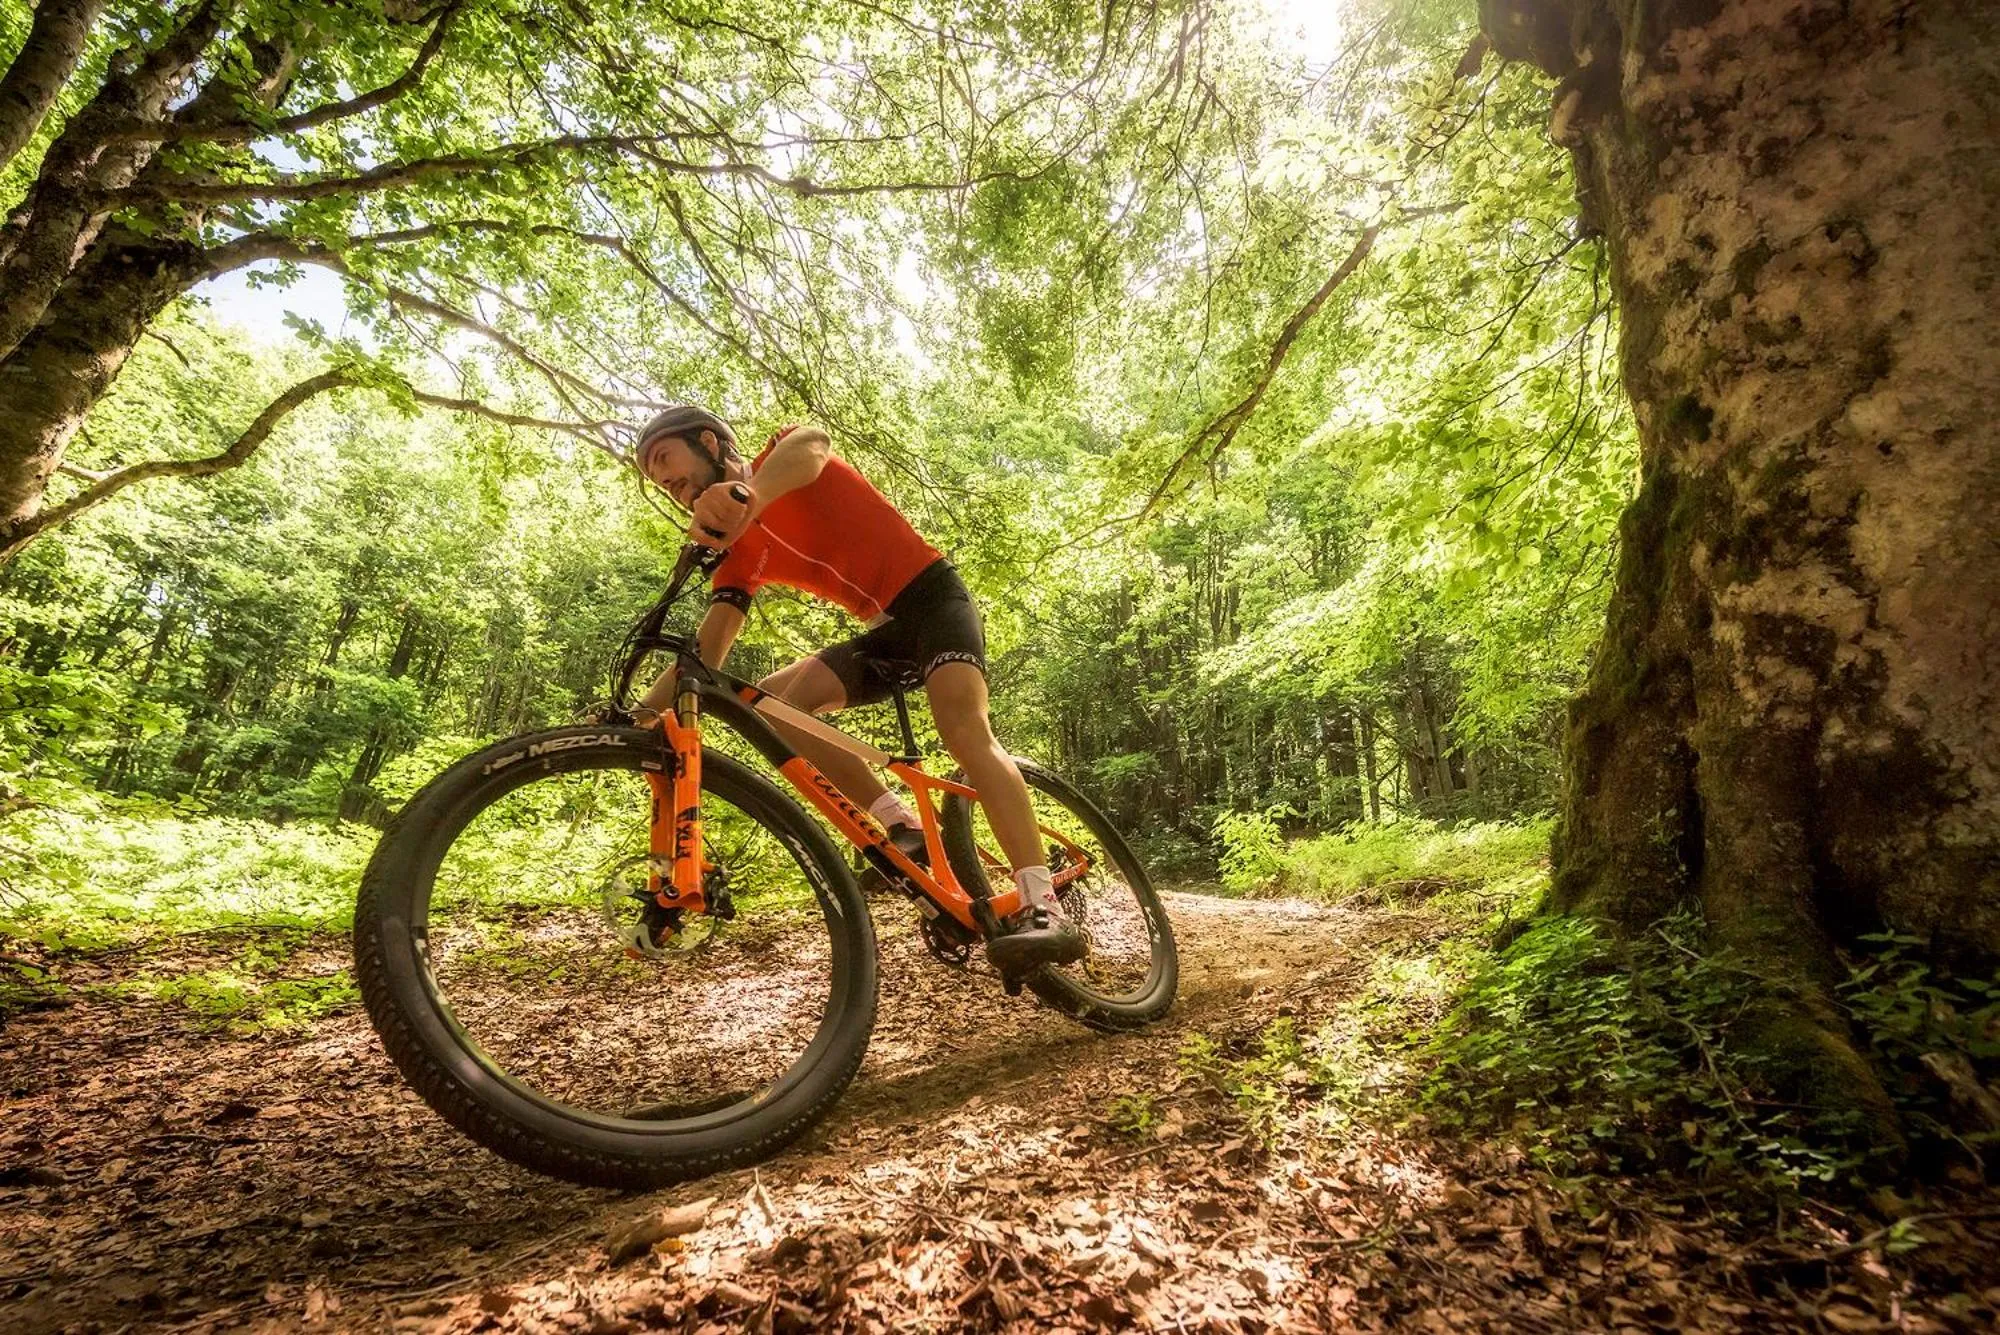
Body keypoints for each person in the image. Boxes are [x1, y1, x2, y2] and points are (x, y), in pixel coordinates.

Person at [630, 404, 1083, 971]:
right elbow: (705, 656)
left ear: (709, 442)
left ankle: (1045, 907)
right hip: (887, 631)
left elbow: (813, 446)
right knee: (773, 706)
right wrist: (636, 715)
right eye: (653, 477)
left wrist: (748, 500)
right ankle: (900, 822)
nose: (663, 478)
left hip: (936, 602)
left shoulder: (784, 454)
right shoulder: (737, 556)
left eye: (665, 459)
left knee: (965, 731)